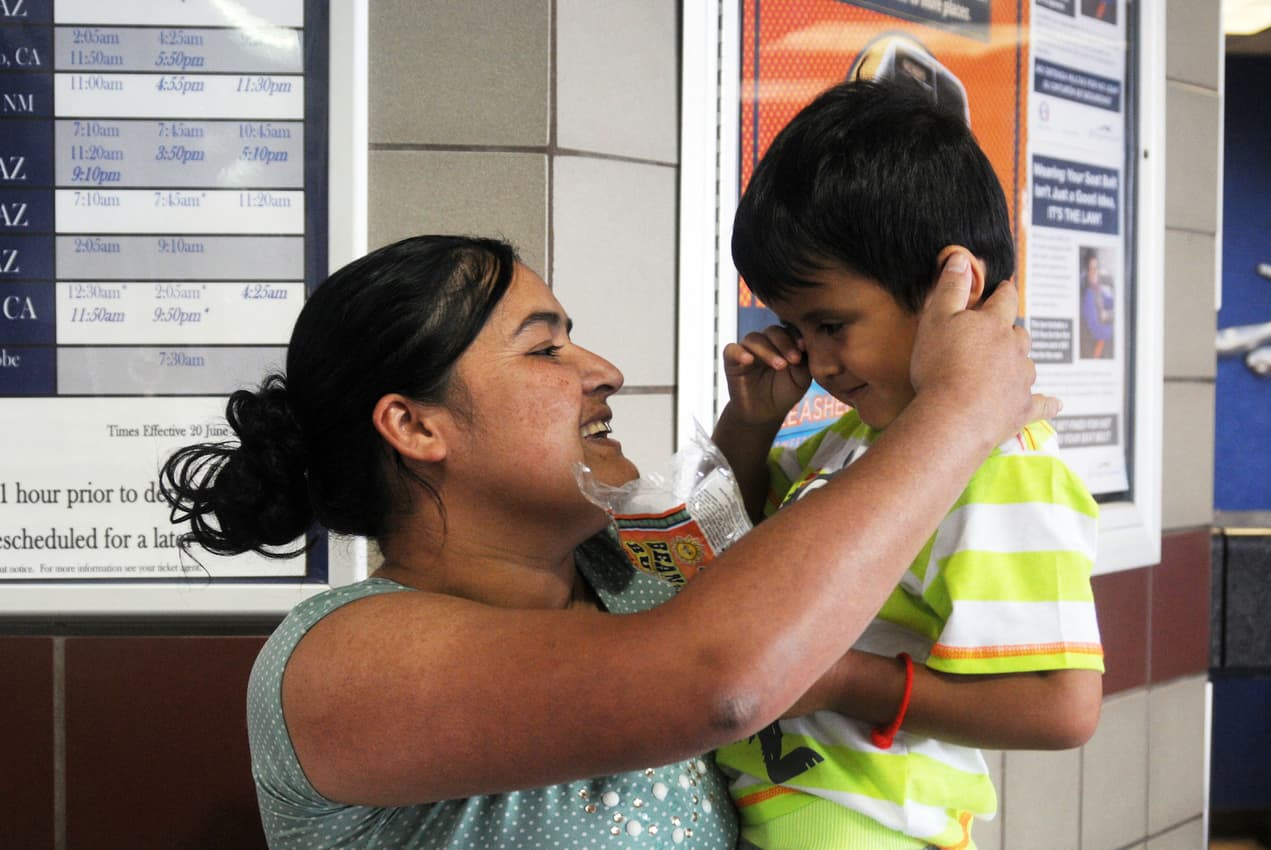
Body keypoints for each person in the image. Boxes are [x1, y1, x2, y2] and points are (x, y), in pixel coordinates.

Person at [160, 233, 1052, 849]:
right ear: (415, 425)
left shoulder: (628, 576)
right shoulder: (335, 660)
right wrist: (957, 413)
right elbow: (720, 682)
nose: (605, 373)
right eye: (546, 351)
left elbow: (745, 593)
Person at [711, 80, 1104, 850]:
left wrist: (839, 679)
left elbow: (1063, 708)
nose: (817, 360)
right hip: (777, 803)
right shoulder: (848, 440)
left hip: (861, 826)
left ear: (949, 289)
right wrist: (750, 425)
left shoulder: (1004, 464)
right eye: (793, 327)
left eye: (832, 324)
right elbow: (726, 544)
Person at [1080, 247, 1115, 358]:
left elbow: (1109, 302)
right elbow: (1098, 331)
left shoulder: (1096, 288)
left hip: (1106, 331)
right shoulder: (1088, 296)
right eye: (1092, 269)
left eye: (1097, 268)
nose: (1095, 272)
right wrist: (1116, 328)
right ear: (1086, 272)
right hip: (1099, 343)